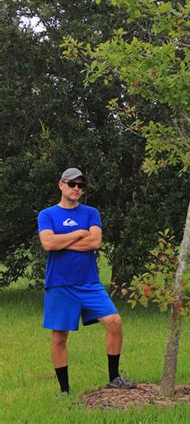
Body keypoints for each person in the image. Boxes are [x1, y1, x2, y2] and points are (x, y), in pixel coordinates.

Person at [38, 167, 136, 395]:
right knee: (59, 337)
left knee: (114, 322)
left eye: (81, 185)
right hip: (59, 284)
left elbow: (95, 242)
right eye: (72, 184)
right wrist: (79, 234)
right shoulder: (47, 215)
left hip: (89, 283)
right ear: (61, 185)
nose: (77, 189)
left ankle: (114, 377)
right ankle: (65, 390)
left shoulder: (91, 213)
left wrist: (62, 241)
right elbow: (48, 244)